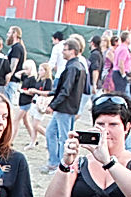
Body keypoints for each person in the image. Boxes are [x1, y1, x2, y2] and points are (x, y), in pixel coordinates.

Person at [42, 37, 87, 174]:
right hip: (66, 108)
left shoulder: (73, 67)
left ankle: (62, 166)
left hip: (65, 108)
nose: (62, 52)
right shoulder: (76, 66)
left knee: (64, 138)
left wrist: (53, 105)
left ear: (72, 51)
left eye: (65, 50)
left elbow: (66, 90)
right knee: (51, 133)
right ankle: (54, 162)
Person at [20, 61, 52, 149]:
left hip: (41, 103)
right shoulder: (39, 80)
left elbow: (48, 93)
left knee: (36, 125)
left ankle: (49, 137)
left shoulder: (48, 81)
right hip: (35, 102)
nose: (39, 72)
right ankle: (32, 142)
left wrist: (36, 91)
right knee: (34, 124)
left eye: (41, 70)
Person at [4, 26, 27, 104]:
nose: (7, 35)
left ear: (15, 34)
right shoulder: (16, 47)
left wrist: (8, 76)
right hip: (12, 81)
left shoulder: (17, 48)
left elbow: (14, 64)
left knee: (8, 102)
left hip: (12, 81)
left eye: (9, 32)